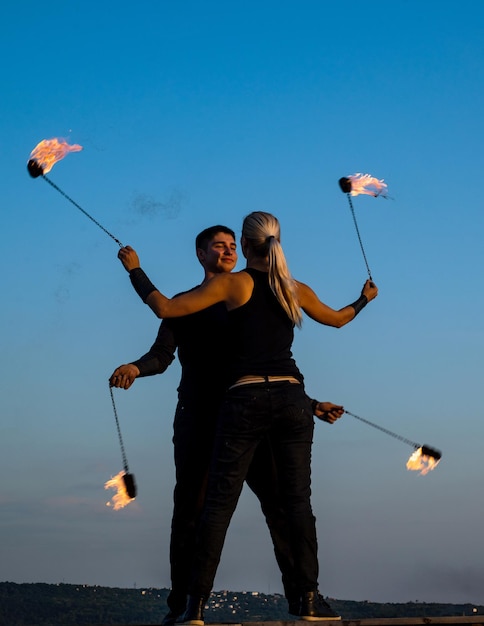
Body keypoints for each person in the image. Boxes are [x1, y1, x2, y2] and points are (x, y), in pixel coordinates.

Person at [117, 212, 378, 624]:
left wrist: (308, 403)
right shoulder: (221, 294)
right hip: (205, 420)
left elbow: (262, 368)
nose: (227, 250)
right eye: (218, 245)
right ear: (200, 254)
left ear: (245, 246)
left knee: (278, 506)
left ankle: (302, 598)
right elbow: (162, 353)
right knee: (196, 511)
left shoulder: (242, 289)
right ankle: (183, 605)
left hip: (246, 414)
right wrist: (135, 366)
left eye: (232, 244)